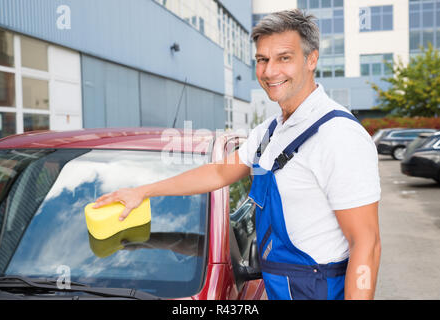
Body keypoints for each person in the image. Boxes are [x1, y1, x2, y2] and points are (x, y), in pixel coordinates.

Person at [93, 9, 381, 300]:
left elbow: (366, 243)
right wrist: (143, 191)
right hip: (280, 287)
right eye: (262, 60)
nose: (269, 71)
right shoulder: (269, 131)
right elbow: (218, 172)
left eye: (284, 58)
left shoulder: (338, 135)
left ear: (311, 59)